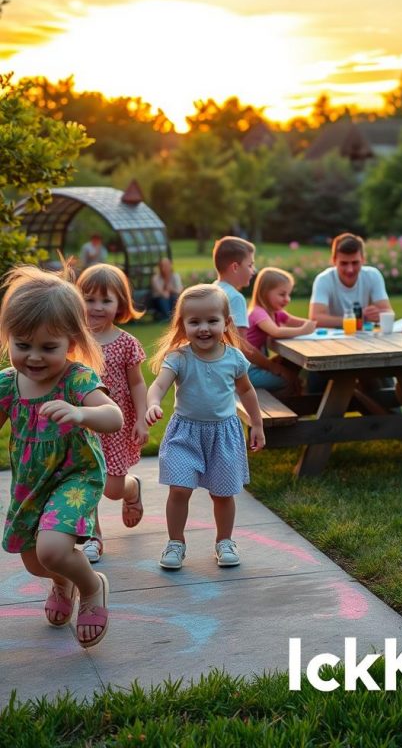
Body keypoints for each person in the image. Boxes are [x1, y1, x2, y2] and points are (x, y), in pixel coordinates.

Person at [0, 265, 123, 648]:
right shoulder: (7, 382)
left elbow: (113, 417)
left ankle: (90, 586)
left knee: (51, 548)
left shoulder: (75, 379)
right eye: (22, 344)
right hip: (30, 482)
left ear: (70, 342)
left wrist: (81, 413)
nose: (33, 357)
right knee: (36, 560)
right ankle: (62, 581)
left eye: (47, 347)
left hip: (75, 477)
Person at [145, 283, 265, 570]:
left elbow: (247, 392)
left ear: (226, 323)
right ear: (182, 324)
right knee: (179, 489)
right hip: (185, 434)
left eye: (212, 320)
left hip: (223, 434)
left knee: (223, 494)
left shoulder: (234, 358)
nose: (204, 328)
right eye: (194, 321)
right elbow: (159, 385)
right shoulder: (179, 357)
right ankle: (176, 542)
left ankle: (224, 541)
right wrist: (153, 403)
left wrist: (257, 424)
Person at [77, 264, 149, 563]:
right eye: (89, 299)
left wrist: (143, 417)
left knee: (112, 489)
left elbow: (137, 383)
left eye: (105, 300)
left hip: (116, 425)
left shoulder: (126, 343)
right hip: (81, 422)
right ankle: (93, 537)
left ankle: (132, 489)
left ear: (120, 304)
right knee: (86, 480)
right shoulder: (73, 340)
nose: (96, 307)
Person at [213, 236, 292, 395]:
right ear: (235, 267)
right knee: (289, 380)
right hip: (235, 375)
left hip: (215, 371)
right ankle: (271, 418)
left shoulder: (214, 289)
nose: (253, 271)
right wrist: (272, 367)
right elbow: (242, 346)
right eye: (250, 265)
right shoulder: (235, 298)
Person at [247, 267, 316, 393]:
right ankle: (283, 408)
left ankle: (293, 407)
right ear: (265, 293)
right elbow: (275, 332)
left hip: (258, 365)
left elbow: (295, 321)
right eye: (282, 294)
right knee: (290, 380)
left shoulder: (276, 312)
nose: (287, 299)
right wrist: (303, 330)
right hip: (247, 371)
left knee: (292, 375)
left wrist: (314, 324)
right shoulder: (258, 313)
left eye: (288, 294)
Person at [309, 232, 391, 328]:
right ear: (334, 261)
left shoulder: (373, 275)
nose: (350, 269)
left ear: (363, 260)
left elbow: (388, 312)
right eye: (344, 263)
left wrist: (378, 315)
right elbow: (315, 318)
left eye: (355, 263)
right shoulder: (323, 279)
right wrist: (357, 320)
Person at [150, 257, 183, 321]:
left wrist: (171, 289)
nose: (166, 267)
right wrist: (165, 293)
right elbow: (159, 291)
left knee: (175, 297)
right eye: (164, 266)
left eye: (167, 265)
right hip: (158, 299)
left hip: (172, 296)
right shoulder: (155, 278)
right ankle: (168, 316)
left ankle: (175, 316)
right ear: (160, 267)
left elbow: (179, 290)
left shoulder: (175, 276)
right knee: (163, 299)